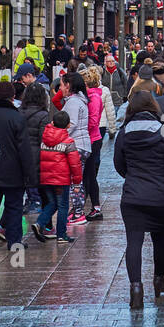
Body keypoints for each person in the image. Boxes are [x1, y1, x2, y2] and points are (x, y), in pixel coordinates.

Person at [114, 88, 164, 309]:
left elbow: (119, 164)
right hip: (161, 196)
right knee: (159, 240)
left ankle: (136, 288)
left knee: (133, 243)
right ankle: (159, 280)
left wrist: (133, 177)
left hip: (133, 197)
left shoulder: (124, 132)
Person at [0, 81, 35, 253]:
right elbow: (24, 149)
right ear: (13, 97)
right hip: (13, 171)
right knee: (14, 208)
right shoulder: (17, 118)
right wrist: (30, 175)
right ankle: (14, 242)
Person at [32, 110, 82, 243]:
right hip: (61, 180)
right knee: (63, 206)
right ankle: (61, 235)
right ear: (68, 126)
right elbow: (75, 164)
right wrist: (77, 183)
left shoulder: (44, 139)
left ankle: (39, 223)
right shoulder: (68, 141)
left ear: (52, 123)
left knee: (52, 203)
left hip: (45, 178)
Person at [81, 65, 114, 221]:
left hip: (91, 137)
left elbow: (94, 119)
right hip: (91, 136)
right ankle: (92, 206)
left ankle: (94, 207)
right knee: (88, 173)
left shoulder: (94, 97)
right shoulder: (90, 96)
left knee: (89, 174)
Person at [61, 73, 91, 225]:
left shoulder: (73, 102)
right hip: (81, 145)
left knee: (74, 182)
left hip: (76, 145)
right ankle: (77, 211)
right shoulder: (79, 100)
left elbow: (70, 124)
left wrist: (58, 137)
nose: (60, 88)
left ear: (68, 85)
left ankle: (78, 213)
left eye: (61, 85)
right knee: (76, 181)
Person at [18, 80, 51, 216]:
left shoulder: (18, 112)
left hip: (20, 152)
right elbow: (44, 138)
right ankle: (43, 220)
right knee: (40, 188)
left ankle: (4, 225)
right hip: (36, 154)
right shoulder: (43, 115)